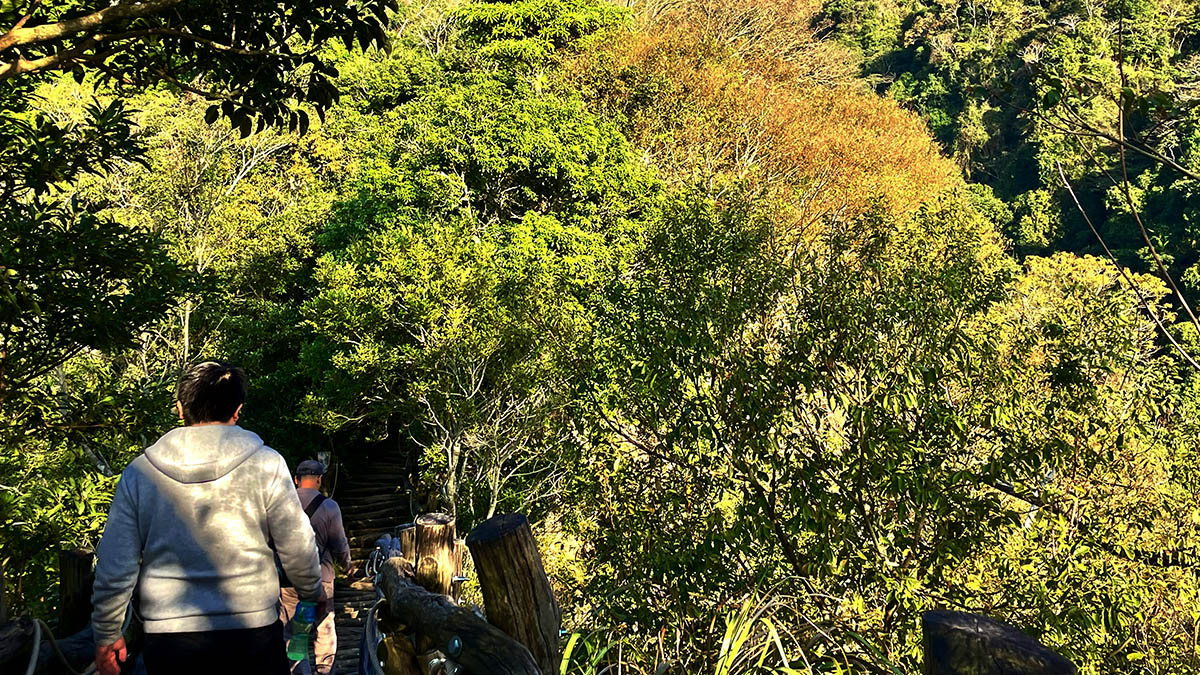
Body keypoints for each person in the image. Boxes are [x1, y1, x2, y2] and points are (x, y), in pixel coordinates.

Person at [90, 362, 326, 675]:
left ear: (179, 408)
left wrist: (107, 632)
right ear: (238, 410)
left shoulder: (140, 473)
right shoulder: (267, 464)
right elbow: (297, 544)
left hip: (169, 638)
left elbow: (115, 564)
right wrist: (312, 590)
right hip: (252, 630)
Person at [279, 460, 352, 675]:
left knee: (295, 633)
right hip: (322, 577)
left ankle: (300, 671)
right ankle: (324, 670)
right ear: (319, 479)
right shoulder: (329, 507)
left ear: (295, 480)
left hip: (289, 579)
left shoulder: (280, 505)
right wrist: (347, 566)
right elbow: (339, 544)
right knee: (324, 626)